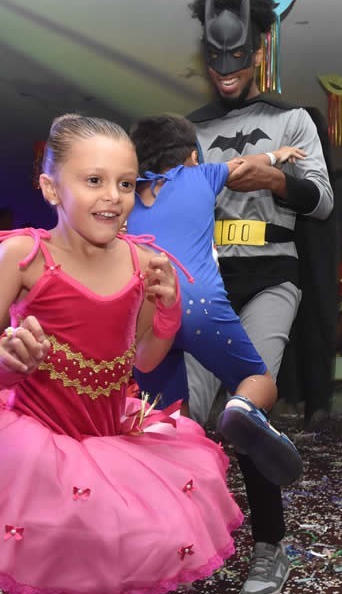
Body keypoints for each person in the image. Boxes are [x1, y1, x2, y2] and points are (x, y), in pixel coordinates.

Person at [0, 114, 243, 594]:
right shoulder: (23, 254)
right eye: (94, 180)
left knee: (96, 564)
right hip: (27, 443)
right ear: (51, 188)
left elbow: (143, 361)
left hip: (109, 444)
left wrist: (167, 314)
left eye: (125, 183)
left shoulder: (145, 261)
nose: (113, 196)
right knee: (5, 564)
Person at [182, 0, 335, 594]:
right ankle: (173, 533)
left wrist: (274, 176)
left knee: (246, 412)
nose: (226, 72)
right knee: (182, 418)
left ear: (258, 52)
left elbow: (320, 201)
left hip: (272, 273)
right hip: (206, 279)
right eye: (216, 59)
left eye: (238, 58)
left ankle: (271, 549)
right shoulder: (188, 131)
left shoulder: (291, 119)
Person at [125, 113, 304, 486]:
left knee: (166, 415)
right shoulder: (202, 175)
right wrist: (278, 155)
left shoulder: (127, 194)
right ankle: (240, 407)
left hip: (147, 313)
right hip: (199, 304)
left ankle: (175, 484)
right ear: (192, 156)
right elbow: (243, 166)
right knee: (258, 379)